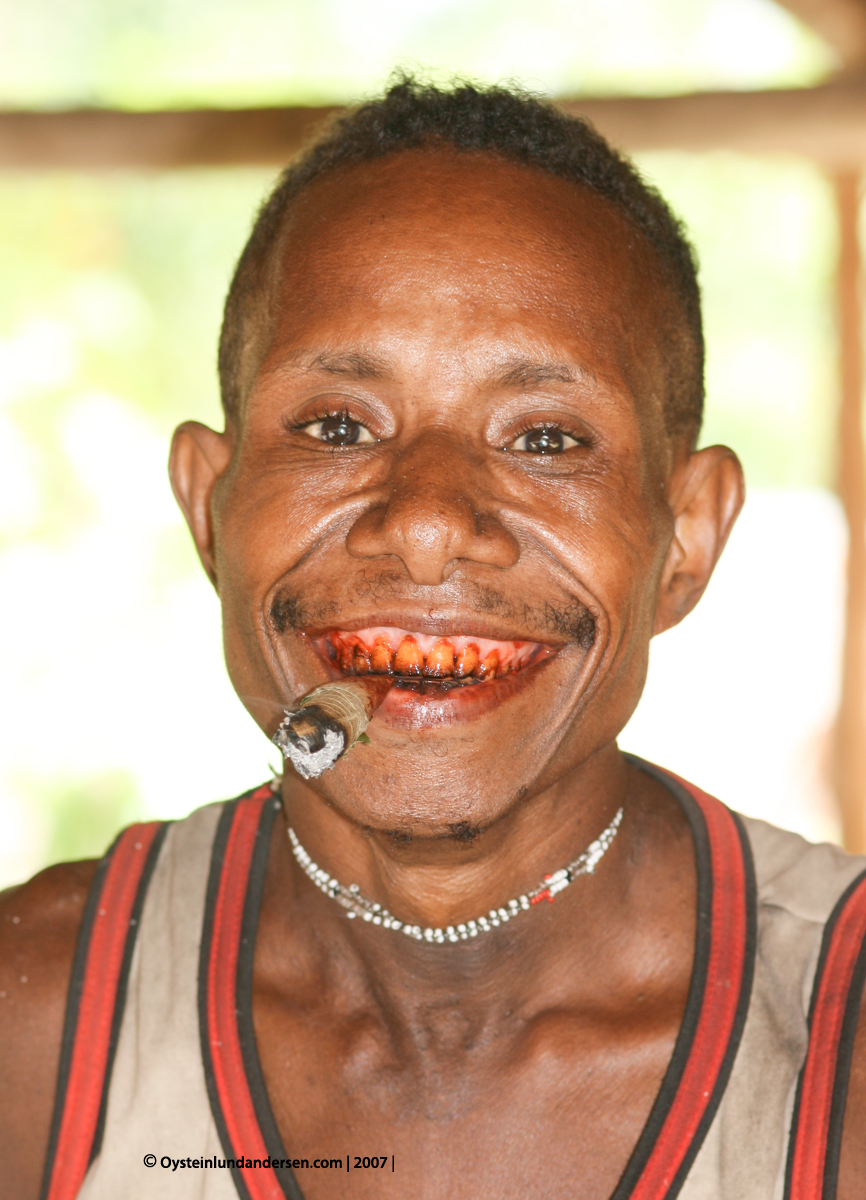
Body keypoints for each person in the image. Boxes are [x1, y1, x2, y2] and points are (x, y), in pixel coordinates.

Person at [2, 77, 865, 1200]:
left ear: (684, 540)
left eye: (545, 438)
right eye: (336, 426)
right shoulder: (39, 1017)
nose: (422, 525)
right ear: (211, 507)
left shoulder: (835, 1038)